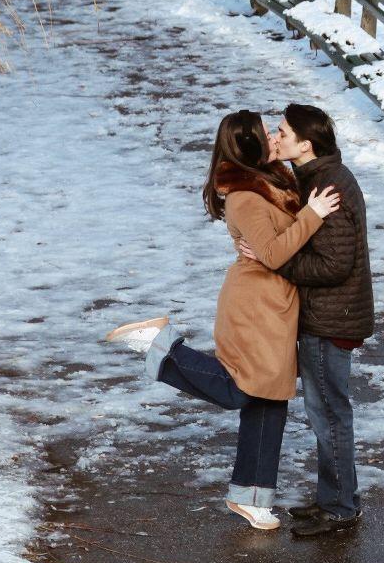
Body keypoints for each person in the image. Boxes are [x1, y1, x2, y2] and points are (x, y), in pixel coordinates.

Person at [104, 110, 340, 531]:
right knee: (241, 389)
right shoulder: (245, 197)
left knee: (269, 398)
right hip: (256, 305)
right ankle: (163, 348)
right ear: (250, 145)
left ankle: (250, 497)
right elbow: (273, 254)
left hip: (276, 303)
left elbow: (278, 247)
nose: (274, 137)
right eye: (266, 133)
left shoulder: (273, 183)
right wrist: (312, 214)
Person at [240, 103, 372, 538]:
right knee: (326, 412)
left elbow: (334, 264)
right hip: (328, 314)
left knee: (329, 414)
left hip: (329, 318)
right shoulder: (317, 177)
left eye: (282, 132)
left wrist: (275, 262)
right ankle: (335, 498)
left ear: (305, 144)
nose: (275, 138)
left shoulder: (327, 186)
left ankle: (340, 508)